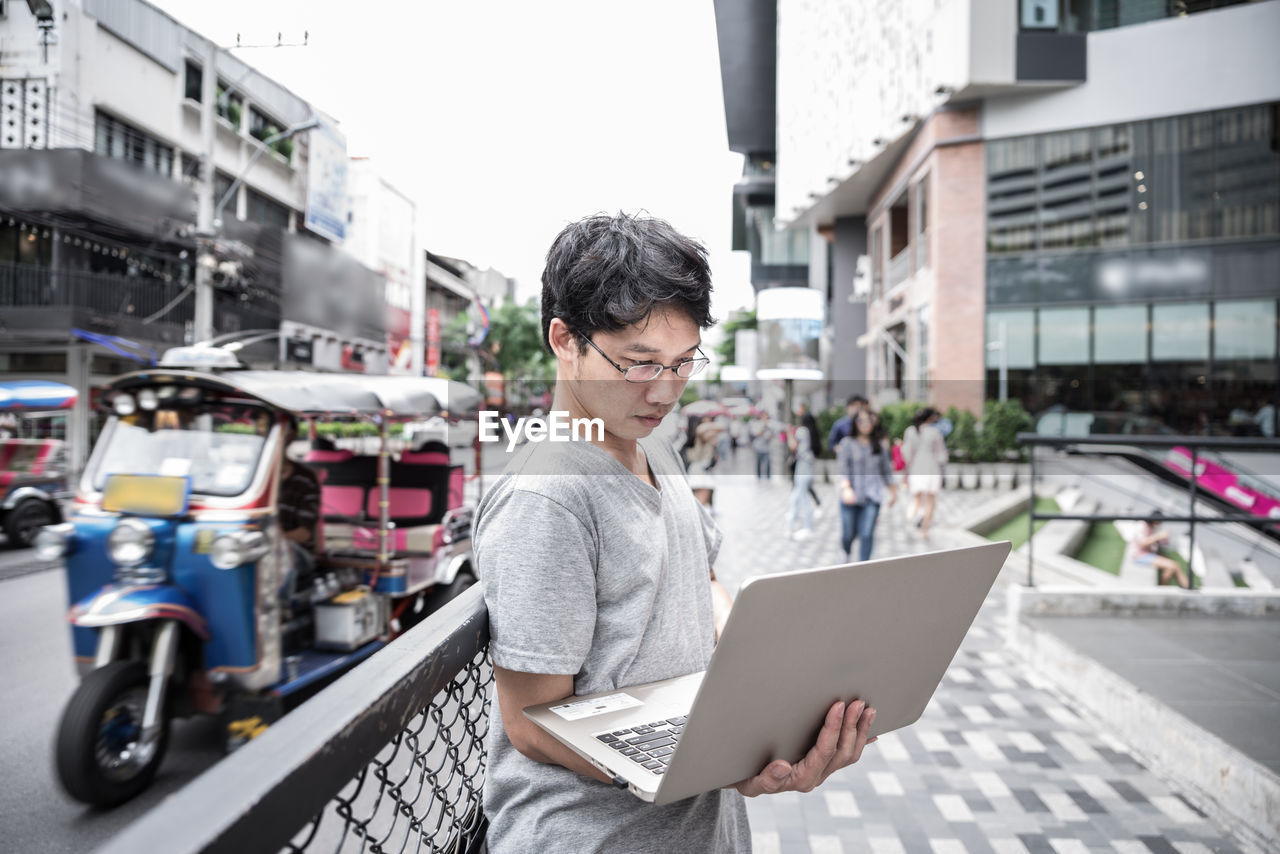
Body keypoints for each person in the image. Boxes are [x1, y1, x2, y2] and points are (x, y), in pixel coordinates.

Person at [471, 213, 876, 853]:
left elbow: (701, 576)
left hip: (700, 825)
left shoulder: (654, 446)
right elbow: (527, 723)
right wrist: (708, 760)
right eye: (638, 364)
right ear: (564, 340)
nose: (665, 391)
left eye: (683, 363)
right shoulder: (548, 496)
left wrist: (770, 681)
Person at [837, 412, 898, 562]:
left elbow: (886, 471)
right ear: (855, 423)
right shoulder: (847, 443)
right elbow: (843, 469)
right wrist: (846, 488)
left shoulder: (879, 445)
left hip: (872, 496)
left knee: (866, 533)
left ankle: (863, 566)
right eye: (861, 420)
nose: (865, 424)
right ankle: (846, 552)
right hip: (851, 496)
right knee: (848, 534)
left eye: (869, 420)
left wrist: (893, 492)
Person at [902, 407, 947, 539]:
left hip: (916, 467)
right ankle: (924, 528)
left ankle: (909, 523)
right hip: (931, 467)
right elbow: (941, 454)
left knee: (916, 499)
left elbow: (907, 453)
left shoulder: (910, 431)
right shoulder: (935, 432)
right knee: (931, 500)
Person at [1128, 513, 1191, 589]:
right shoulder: (1141, 524)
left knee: (1174, 566)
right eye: (1158, 521)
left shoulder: (1151, 527)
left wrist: (1162, 540)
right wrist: (1159, 536)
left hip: (1148, 554)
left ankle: (1188, 587)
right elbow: (1142, 543)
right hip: (1139, 556)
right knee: (1172, 566)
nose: (1159, 524)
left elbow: (1153, 545)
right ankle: (1163, 590)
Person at [785, 408, 817, 540]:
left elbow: (793, 446)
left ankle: (807, 528)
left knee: (802, 499)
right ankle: (791, 525)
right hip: (807, 468)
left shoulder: (802, 431)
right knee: (797, 497)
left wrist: (788, 433)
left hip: (803, 469)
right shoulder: (811, 431)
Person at [685, 415, 724, 507]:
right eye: (705, 421)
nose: (708, 424)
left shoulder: (706, 433)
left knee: (703, 496)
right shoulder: (700, 431)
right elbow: (721, 426)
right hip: (699, 468)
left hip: (703, 467)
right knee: (700, 499)